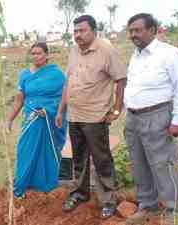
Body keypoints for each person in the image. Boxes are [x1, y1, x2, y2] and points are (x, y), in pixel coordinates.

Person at [56, 15, 127, 219]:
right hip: (75, 115)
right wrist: (61, 111)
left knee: (101, 158)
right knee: (78, 158)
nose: (77, 35)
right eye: (75, 31)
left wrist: (116, 109)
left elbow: (120, 79)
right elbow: (68, 83)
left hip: (95, 117)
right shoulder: (73, 51)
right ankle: (80, 193)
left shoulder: (106, 50)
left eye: (82, 30)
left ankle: (108, 200)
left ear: (93, 31)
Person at [124, 13, 178, 225]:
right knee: (139, 164)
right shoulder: (136, 55)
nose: (133, 34)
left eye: (138, 30)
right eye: (131, 30)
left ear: (152, 30)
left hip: (158, 115)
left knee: (163, 164)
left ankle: (173, 210)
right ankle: (147, 206)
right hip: (133, 118)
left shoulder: (169, 54)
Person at [7, 42, 67, 198]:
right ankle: (23, 182)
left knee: (45, 151)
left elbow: (64, 97)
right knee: (25, 150)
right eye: (33, 53)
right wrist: (10, 119)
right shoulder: (25, 75)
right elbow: (19, 99)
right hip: (31, 118)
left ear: (47, 55)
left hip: (48, 119)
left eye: (39, 53)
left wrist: (49, 110)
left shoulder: (57, 74)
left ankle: (44, 183)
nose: (35, 56)